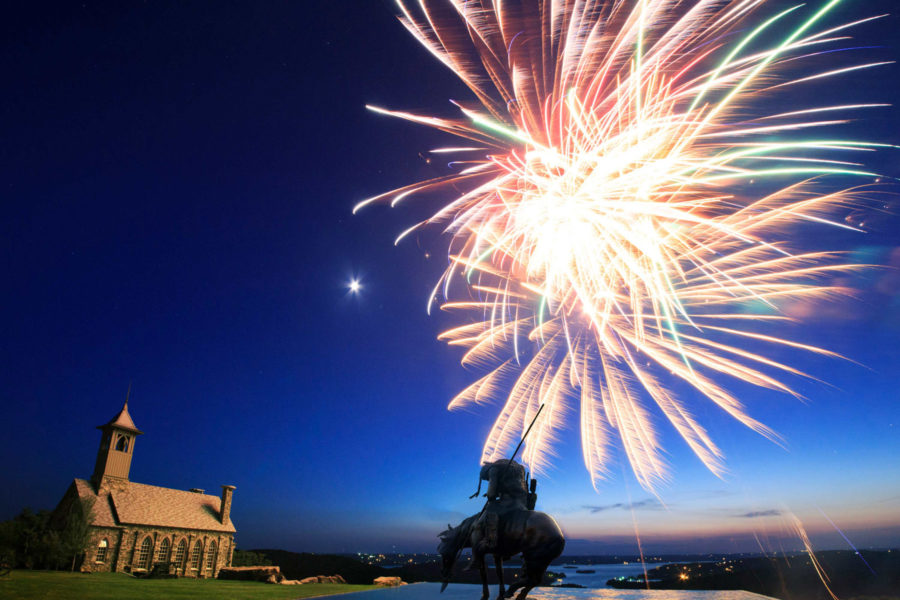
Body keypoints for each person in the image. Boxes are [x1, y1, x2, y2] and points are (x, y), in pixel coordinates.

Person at [467, 459, 533, 568]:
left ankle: (489, 543)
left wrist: (491, 496)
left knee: (481, 522)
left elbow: (491, 493)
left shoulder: (493, 469)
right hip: (522, 503)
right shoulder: (519, 468)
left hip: (508, 503)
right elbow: (512, 485)